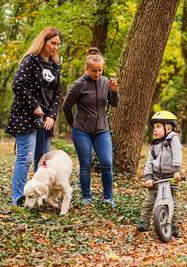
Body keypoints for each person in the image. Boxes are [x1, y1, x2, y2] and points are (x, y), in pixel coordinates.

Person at [6, 27, 62, 207]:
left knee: (43, 160)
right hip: (25, 116)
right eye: (52, 43)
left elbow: (57, 94)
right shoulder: (30, 61)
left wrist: (51, 116)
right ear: (43, 41)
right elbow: (18, 85)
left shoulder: (55, 67)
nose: (55, 47)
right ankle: (18, 198)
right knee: (26, 157)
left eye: (58, 44)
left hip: (45, 119)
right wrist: (35, 106)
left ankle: (41, 196)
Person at [62, 52, 120, 207]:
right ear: (86, 68)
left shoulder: (105, 82)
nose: (97, 73)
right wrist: (73, 124)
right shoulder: (78, 85)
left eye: (100, 70)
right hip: (82, 131)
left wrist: (114, 91)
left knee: (107, 163)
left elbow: (114, 104)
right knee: (85, 165)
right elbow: (66, 106)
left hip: (102, 130)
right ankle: (86, 197)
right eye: (94, 70)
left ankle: (108, 198)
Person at [136, 111, 183, 237]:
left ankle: (172, 225)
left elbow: (177, 154)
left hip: (171, 177)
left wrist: (176, 171)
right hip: (157, 176)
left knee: (172, 201)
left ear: (168, 128)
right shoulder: (155, 144)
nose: (155, 130)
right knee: (149, 199)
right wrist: (148, 177)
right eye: (154, 128)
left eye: (158, 127)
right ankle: (143, 221)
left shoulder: (173, 139)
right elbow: (149, 162)